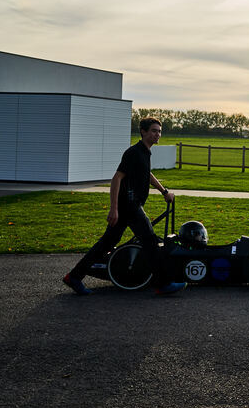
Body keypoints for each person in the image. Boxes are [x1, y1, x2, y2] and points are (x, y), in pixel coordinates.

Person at [62, 117, 186, 296]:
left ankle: (73, 277)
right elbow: (116, 178)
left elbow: (147, 174)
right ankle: (162, 284)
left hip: (131, 206)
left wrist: (164, 191)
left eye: (159, 131)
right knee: (150, 241)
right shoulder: (134, 153)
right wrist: (114, 209)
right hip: (129, 206)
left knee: (107, 243)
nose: (157, 134)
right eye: (153, 130)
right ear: (143, 132)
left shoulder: (145, 152)